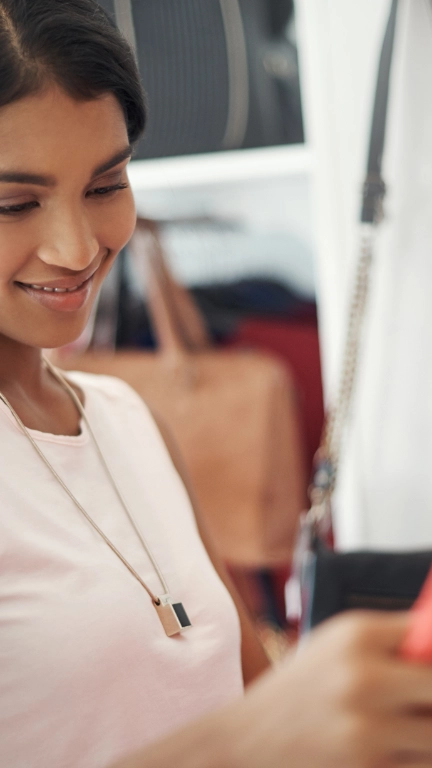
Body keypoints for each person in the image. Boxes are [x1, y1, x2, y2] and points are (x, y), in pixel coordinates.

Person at [1, 1, 432, 767]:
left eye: (105, 186)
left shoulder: (126, 419)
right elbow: (258, 732)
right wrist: (254, 740)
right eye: (13, 205)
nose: (75, 247)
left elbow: (249, 690)